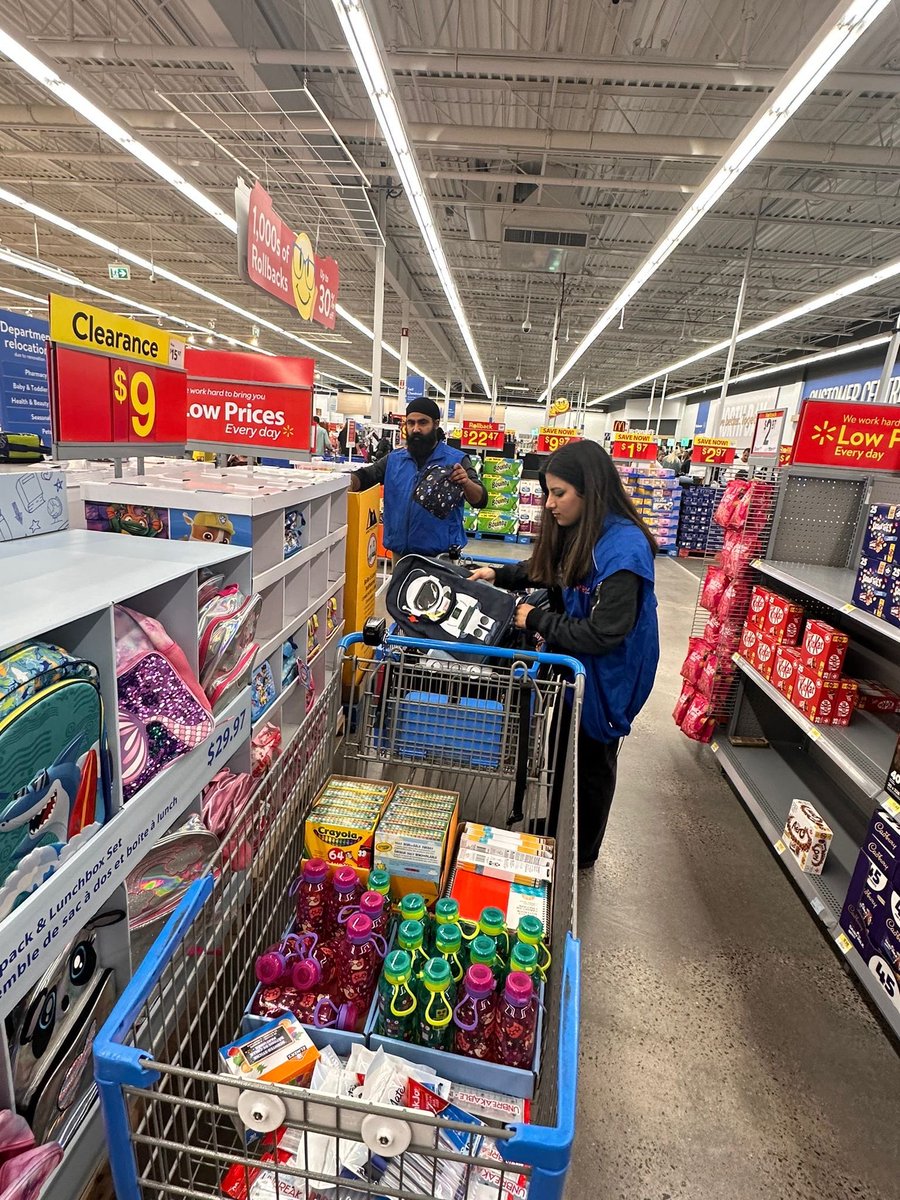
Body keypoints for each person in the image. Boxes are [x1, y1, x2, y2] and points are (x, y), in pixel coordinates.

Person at [469, 440, 659, 868]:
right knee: (562, 748)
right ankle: (559, 825)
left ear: (590, 491)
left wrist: (534, 618)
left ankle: (582, 850)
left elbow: (604, 634)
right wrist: (499, 574)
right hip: (577, 663)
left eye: (559, 493)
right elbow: (550, 569)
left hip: (611, 671)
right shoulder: (584, 531)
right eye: (548, 493)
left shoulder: (624, 549)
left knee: (592, 758)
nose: (550, 504)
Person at [349, 397, 487, 556]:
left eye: (422, 423)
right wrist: (346, 482)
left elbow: (481, 500)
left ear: (436, 424)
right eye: (411, 423)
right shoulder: (394, 460)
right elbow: (365, 476)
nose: (415, 429)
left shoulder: (456, 460)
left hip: (440, 558)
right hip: (400, 555)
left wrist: (466, 483)